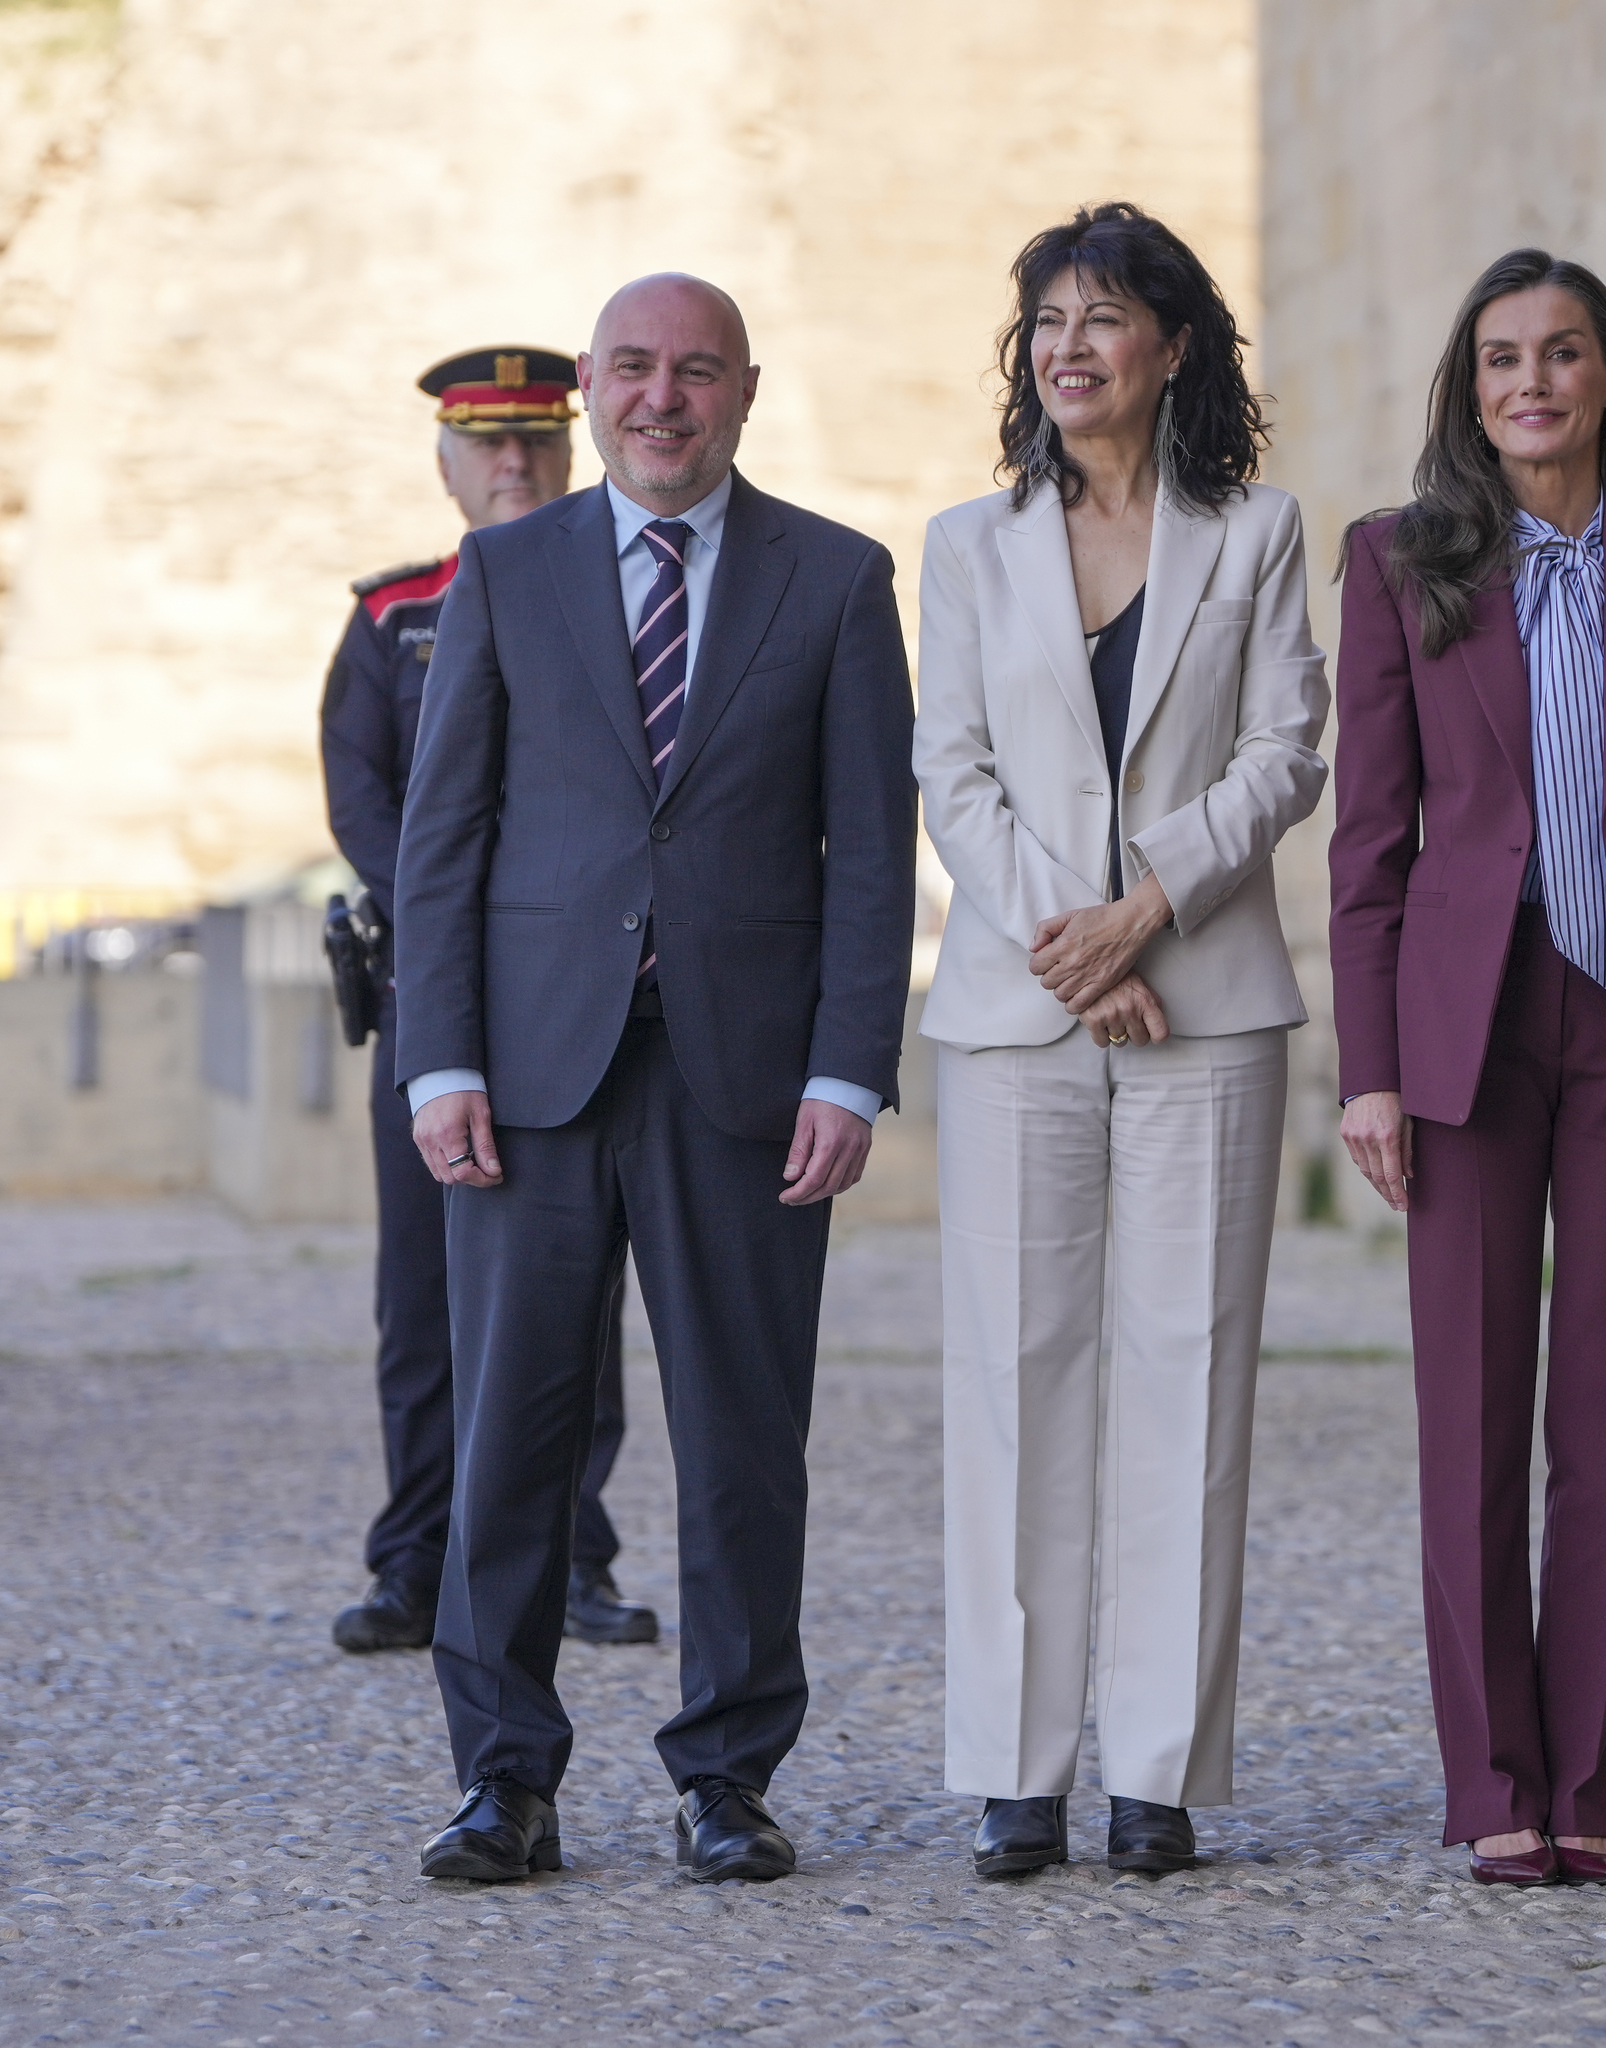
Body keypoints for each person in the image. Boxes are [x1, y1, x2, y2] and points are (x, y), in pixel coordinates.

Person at [393, 274, 918, 1886]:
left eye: (696, 372)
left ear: (747, 390)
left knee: (744, 1442)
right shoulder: (502, 571)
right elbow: (444, 838)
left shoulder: (834, 579)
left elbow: (871, 854)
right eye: (632, 369)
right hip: (531, 1078)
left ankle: (728, 1778)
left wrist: (850, 1068)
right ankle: (505, 1782)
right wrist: (441, 1059)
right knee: (509, 1443)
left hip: (747, 1081)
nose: (661, 399)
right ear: (594, 388)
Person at [1330, 249, 1606, 1888]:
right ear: (1474, 387)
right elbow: (1371, 838)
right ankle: (1489, 1778)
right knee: (1472, 1407)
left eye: (1563, 354)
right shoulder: (1399, 561)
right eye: (1503, 357)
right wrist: (1371, 1066)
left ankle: (1585, 1774)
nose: (1533, 383)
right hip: (1467, 1024)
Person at [915, 204, 1328, 1881]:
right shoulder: (965, 544)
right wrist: (1077, 952)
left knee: (1188, 1379)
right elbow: (955, 772)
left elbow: (1287, 747)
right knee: (1015, 1377)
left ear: (1171, 345)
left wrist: (1144, 911)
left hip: (1205, 1001)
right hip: (1021, 1013)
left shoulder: (1259, 529)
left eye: (1103, 318)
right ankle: (1019, 1770)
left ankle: (1154, 1772)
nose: (1070, 347)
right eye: (1046, 323)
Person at [319, 348, 656, 1659]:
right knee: (424, 1296)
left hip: (584, 999)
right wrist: (475, 917)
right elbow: (366, 797)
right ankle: (415, 1558)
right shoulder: (395, 616)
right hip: (438, 995)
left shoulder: (630, 596)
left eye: (535, 443)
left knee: (580, 1284)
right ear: (447, 465)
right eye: (489, 447)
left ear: (568, 453)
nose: (513, 466)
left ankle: (574, 1552)